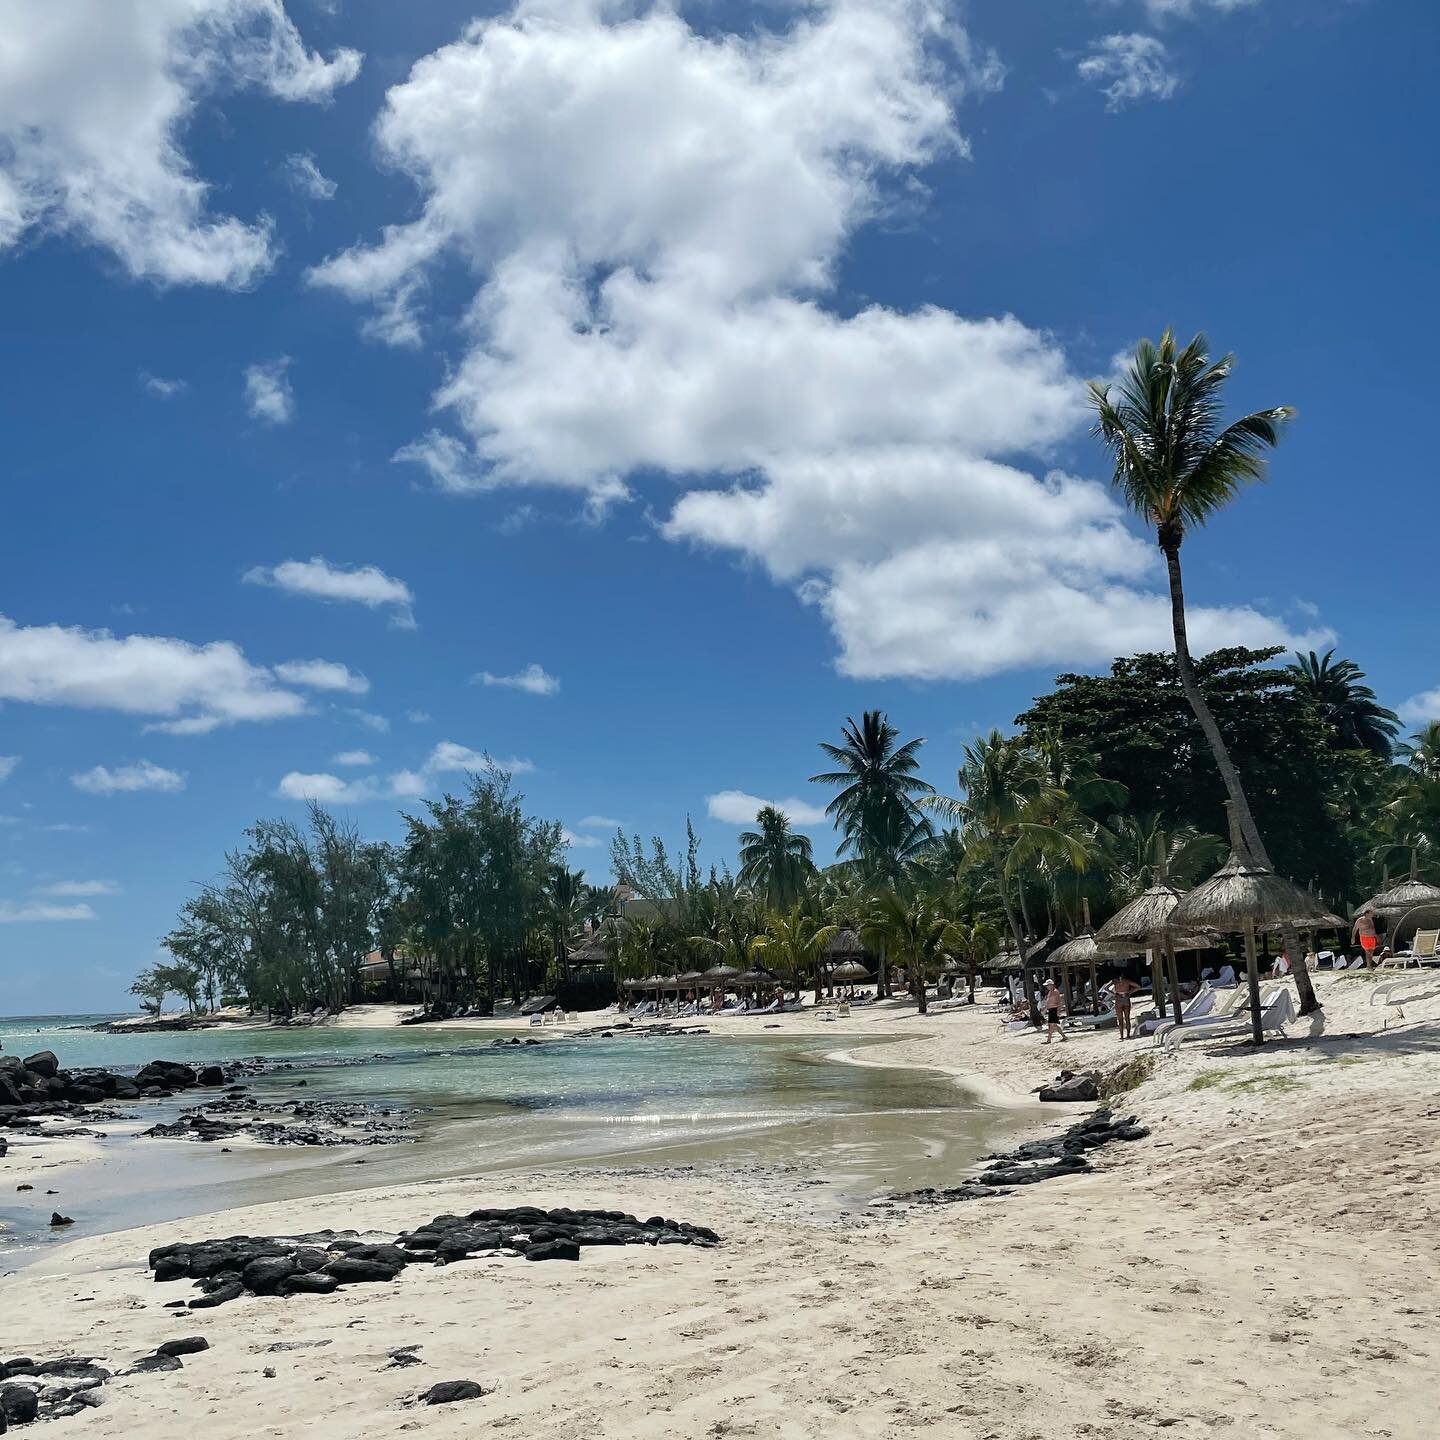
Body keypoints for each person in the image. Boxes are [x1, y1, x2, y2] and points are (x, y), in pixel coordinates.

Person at [1111, 972, 1144, 1041]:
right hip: (1126, 998)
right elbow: (1138, 987)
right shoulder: (1127, 981)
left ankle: (1122, 1036)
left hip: (1118, 999)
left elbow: (1106, 988)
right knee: (1127, 1018)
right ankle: (1128, 1035)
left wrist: (1114, 994)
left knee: (1120, 1019)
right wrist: (1130, 991)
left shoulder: (1115, 981)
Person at [1040, 979, 1066, 1044]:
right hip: (1051, 1010)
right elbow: (1048, 1002)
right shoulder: (1050, 992)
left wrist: (1058, 1012)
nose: (1046, 987)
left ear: (1051, 985)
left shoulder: (1055, 992)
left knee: (1051, 1025)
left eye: (1047, 985)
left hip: (1054, 1009)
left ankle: (1049, 1039)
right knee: (1054, 1025)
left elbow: (1059, 1003)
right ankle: (1064, 1036)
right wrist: (1044, 1007)